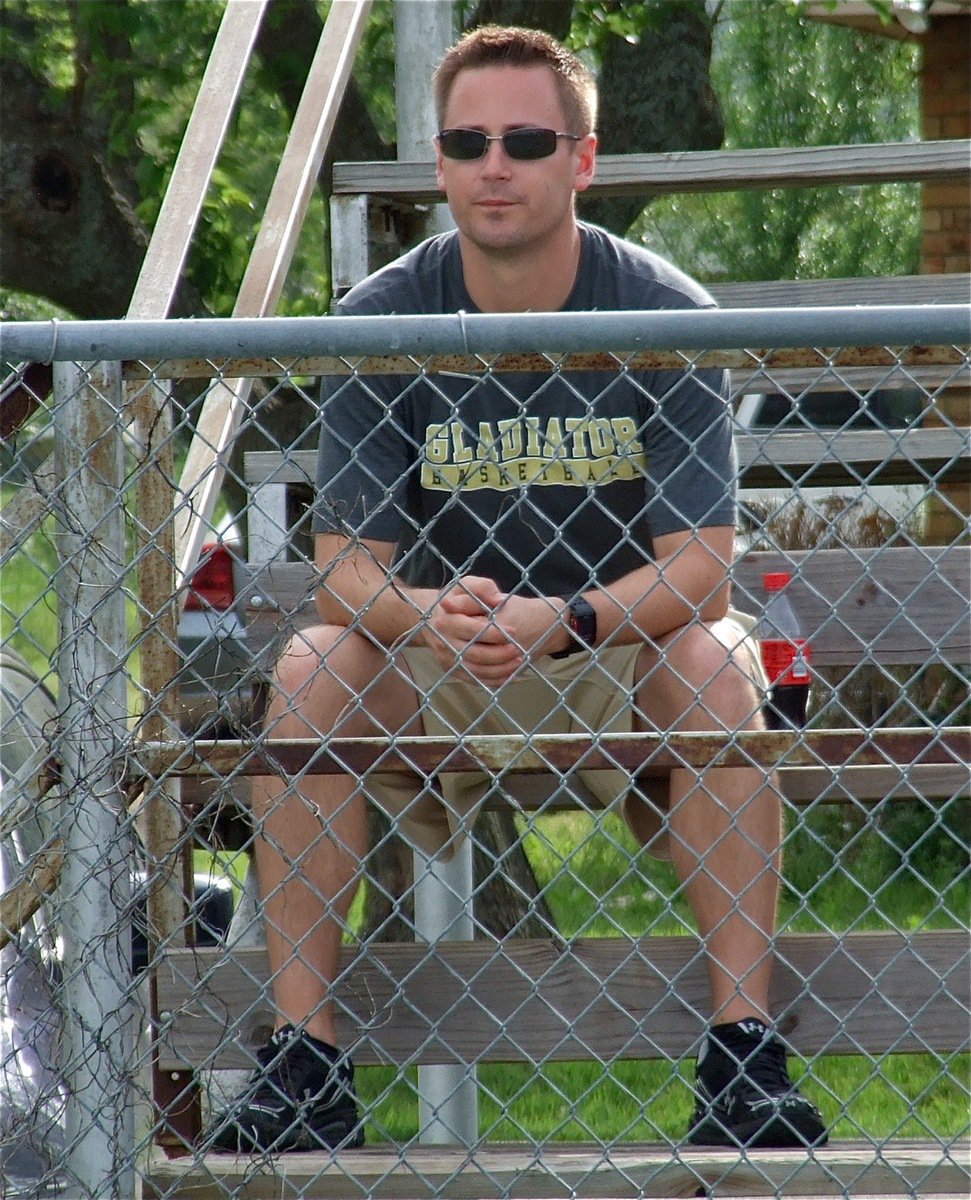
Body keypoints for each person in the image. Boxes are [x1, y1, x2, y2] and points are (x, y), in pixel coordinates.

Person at [209, 24, 827, 1155]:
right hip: (440, 668)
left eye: (527, 140)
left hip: (610, 661)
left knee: (722, 654)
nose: (494, 164)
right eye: (467, 141)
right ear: (438, 164)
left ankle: (743, 1057)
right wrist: (423, 614)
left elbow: (702, 564)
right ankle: (306, 1061)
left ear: (580, 161)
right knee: (308, 664)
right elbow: (346, 570)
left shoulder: (663, 312)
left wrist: (569, 619)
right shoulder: (379, 320)